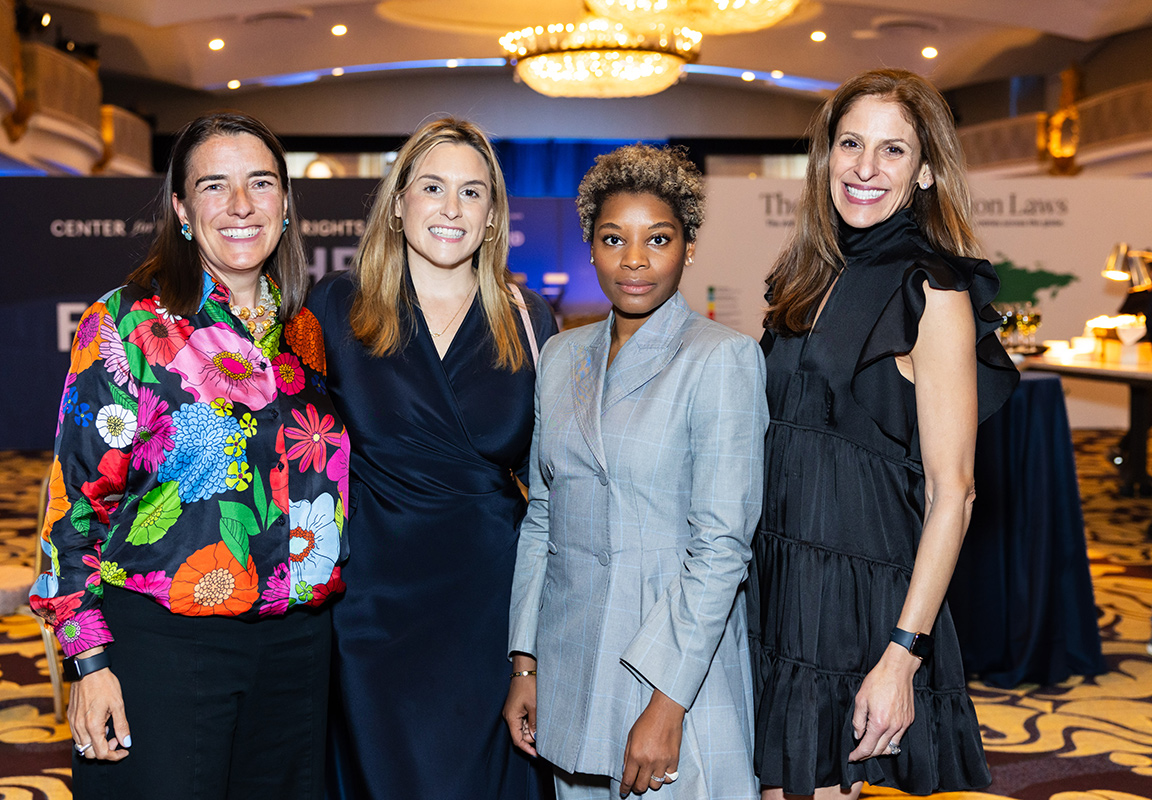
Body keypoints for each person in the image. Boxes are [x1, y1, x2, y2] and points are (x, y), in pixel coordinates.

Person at [29, 111, 349, 799]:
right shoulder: (127, 323)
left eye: (260, 182)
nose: (240, 205)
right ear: (180, 208)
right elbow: (73, 507)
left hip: (297, 652)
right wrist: (88, 662)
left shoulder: (306, 332)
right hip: (165, 646)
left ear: (285, 203)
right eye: (214, 185)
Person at [748, 68, 1020, 799]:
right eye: (851, 144)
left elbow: (954, 494)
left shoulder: (933, 290)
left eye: (892, 150)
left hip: (855, 604)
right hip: (776, 581)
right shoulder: (807, 273)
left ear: (925, 170)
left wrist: (902, 655)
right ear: (826, 156)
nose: (865, 167)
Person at [504, 144, 769, 799]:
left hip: (672, 666)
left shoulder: (722, 358)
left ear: (688, 248)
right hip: (570, 665)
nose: (634, 259)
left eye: (658, 239)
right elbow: (543, 516)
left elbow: (722, 547)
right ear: (591, 248)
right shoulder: (561, 356)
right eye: (614, 238)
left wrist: (667, 701)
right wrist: (526, 661)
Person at [308, 117, 557, 800]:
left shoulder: (530, 319)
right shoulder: (334, 307)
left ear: (493, 215)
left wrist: (533, 652)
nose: (452, 208)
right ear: (397, 203)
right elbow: (291, 454)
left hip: (489, 608)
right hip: (369, 607)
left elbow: (553, 488)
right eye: (433, 187)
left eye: (472, 192)